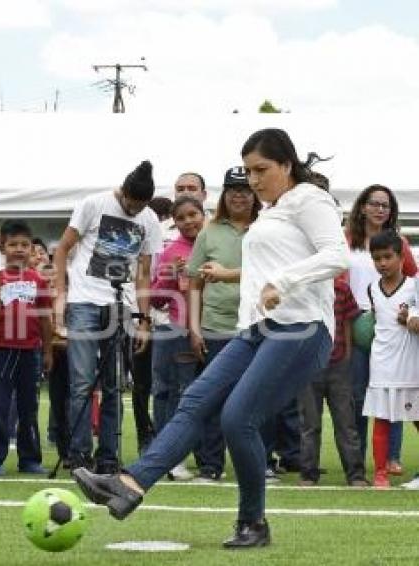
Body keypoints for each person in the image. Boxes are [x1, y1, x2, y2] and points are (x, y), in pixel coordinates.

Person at [73, 128, 349, 549]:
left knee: (239, 418)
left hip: (303, 329)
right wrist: (248, 295)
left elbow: (337, 255)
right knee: (196, 402)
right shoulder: (272, 211)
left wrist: (284, 282)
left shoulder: (310, 199)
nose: (254, 181)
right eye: (249, 172)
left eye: (262, 170)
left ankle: (252, 523)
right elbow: (265, 267)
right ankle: (129, 483)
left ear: (286, 165)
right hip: (257, 330)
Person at [52, 161, 161, 474]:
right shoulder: (93, 204)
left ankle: (109, 455)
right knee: (82, 382)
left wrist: (143, 319)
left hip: (120, 306)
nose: (134, 210)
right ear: (122, 192)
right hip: (84, 301)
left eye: (141, 206)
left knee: (114, 384)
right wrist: (61, 294)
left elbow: (143, 273)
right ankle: (79, 453)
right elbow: (62, 249)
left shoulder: (150, 219)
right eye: (130, 204)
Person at [187, 167, 261, 483]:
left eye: (244, 189)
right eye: (232, 189)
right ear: (224, 194)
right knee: (213, 398)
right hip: (215, 325)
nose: (239, 195)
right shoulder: (209, 231)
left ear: (255, 193)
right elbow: (193, 285)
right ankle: (210, 465)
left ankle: (262, 463)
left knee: (257, 398)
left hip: (257, 325)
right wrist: (194, 327)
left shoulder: (265, 228)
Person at [345, 184, 416, 472]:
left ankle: (392, 457)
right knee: (360, 393)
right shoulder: (347, 240)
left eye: (385, 205)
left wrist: (408, 312)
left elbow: (413, 280)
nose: (379, 209)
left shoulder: (400, 241)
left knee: (395, 389)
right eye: (374, 203)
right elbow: (337, 277)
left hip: (391, 324)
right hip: (355, 318)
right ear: (362, 206)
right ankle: (360, 456)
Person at [0, 219, 53, 476]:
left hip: (30, 351)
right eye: (13, 244)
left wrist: (47, 350)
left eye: (25, 244)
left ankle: (30, 459)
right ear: (2, 247)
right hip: (1, 349)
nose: (19, 249)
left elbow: (46, 317)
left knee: (29, 406)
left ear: (32, 248)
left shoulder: (39, 280)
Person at [149, 196, 206, 480]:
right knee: (170, 392)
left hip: (216, 328)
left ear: (203, 213)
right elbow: (155, 299)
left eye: (192, 214)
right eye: (181, 218)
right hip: (176, 330)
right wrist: (169, 277)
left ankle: (208, 459)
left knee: (204, 395)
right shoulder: (170, 251)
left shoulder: (214, 244)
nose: (188, 222)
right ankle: (169, 457)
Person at [297, 275, 368, 487]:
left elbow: (347, 322)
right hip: (308, 365)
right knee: (309, 423)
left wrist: (346, 355)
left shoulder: (342, 289)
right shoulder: (302, 289)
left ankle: (355, 474)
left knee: (346, 422)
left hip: (338, 363)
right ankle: (308, 474)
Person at [362, 231, 419, 488]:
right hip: (381, 361)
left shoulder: (414, 285)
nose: (382, 263)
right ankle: (381, 475)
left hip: (410, 361)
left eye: (388, 257)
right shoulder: (371, 289)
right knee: (381, 417)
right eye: (377, 258)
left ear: (400, 256)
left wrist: (411, 320)